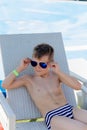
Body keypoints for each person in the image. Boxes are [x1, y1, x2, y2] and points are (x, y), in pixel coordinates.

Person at [2, 43, 87, 130]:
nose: (37, 67)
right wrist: (20, 68)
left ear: (50, 64)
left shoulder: (56, 75)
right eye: (34, 63)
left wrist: (59, 72)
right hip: (53, 117)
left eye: (42, 65)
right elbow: (5, 85)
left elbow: (77, 86)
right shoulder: (28, 80)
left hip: (69, 109)